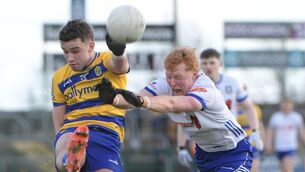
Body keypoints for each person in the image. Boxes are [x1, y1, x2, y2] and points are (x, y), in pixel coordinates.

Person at [97, 47, 253, 172]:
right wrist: (113, 99)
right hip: (204, 155)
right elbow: (134, 99)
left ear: (194, 73)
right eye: (168, 76)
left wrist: (142, 102)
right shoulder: (165, 84)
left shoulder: (205, 87)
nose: (172, 83)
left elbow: (174, 104)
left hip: (233, 152)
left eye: (178, 77)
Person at [52, 19, 129, 172]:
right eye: (65, 51)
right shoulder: (59, 77)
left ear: (91, 46)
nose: (70, 58)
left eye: (75, 51)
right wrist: (60, 142)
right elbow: (59, 125)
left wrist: (119, 52)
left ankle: (70, 160)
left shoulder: (106, 61)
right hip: (72, 129)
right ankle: (70, 161)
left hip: (105, 129)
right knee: (65, 140)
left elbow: (120, 65)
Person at [198, 48, 263, 172]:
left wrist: (255, 131)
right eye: (205, 63)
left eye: (212, 63)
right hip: (206, 141)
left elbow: (249, 107)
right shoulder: (195, 86)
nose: (208, 66)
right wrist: (182, 145)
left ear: (220, 64)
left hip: (231, 138)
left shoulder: (232, 83)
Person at [266, 98, 305, 172]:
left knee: (288, 169)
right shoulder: (275, 117)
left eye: (288, 105)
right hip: (279, 148)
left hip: (290, 147)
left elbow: (302, 132)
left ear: (292, 106)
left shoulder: (296, 117)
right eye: (284, 105)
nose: (286, 107)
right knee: (284, 169)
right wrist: (268, 144)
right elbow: (270, 132)